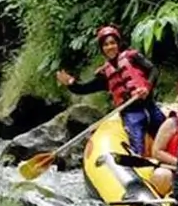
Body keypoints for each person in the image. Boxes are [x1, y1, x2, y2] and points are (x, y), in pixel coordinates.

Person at [55, 25, 166, 156]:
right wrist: (71, 83)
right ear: (102, 49)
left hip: (149, 106)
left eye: (112, 43)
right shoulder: (104, 74)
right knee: (137, 147)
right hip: (131, 113)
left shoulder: (133, 57)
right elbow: (84, 88)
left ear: (118, 44)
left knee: (168, 133)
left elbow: (153, 70)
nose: (110, 47)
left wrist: (146, 87)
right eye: (106, 45)